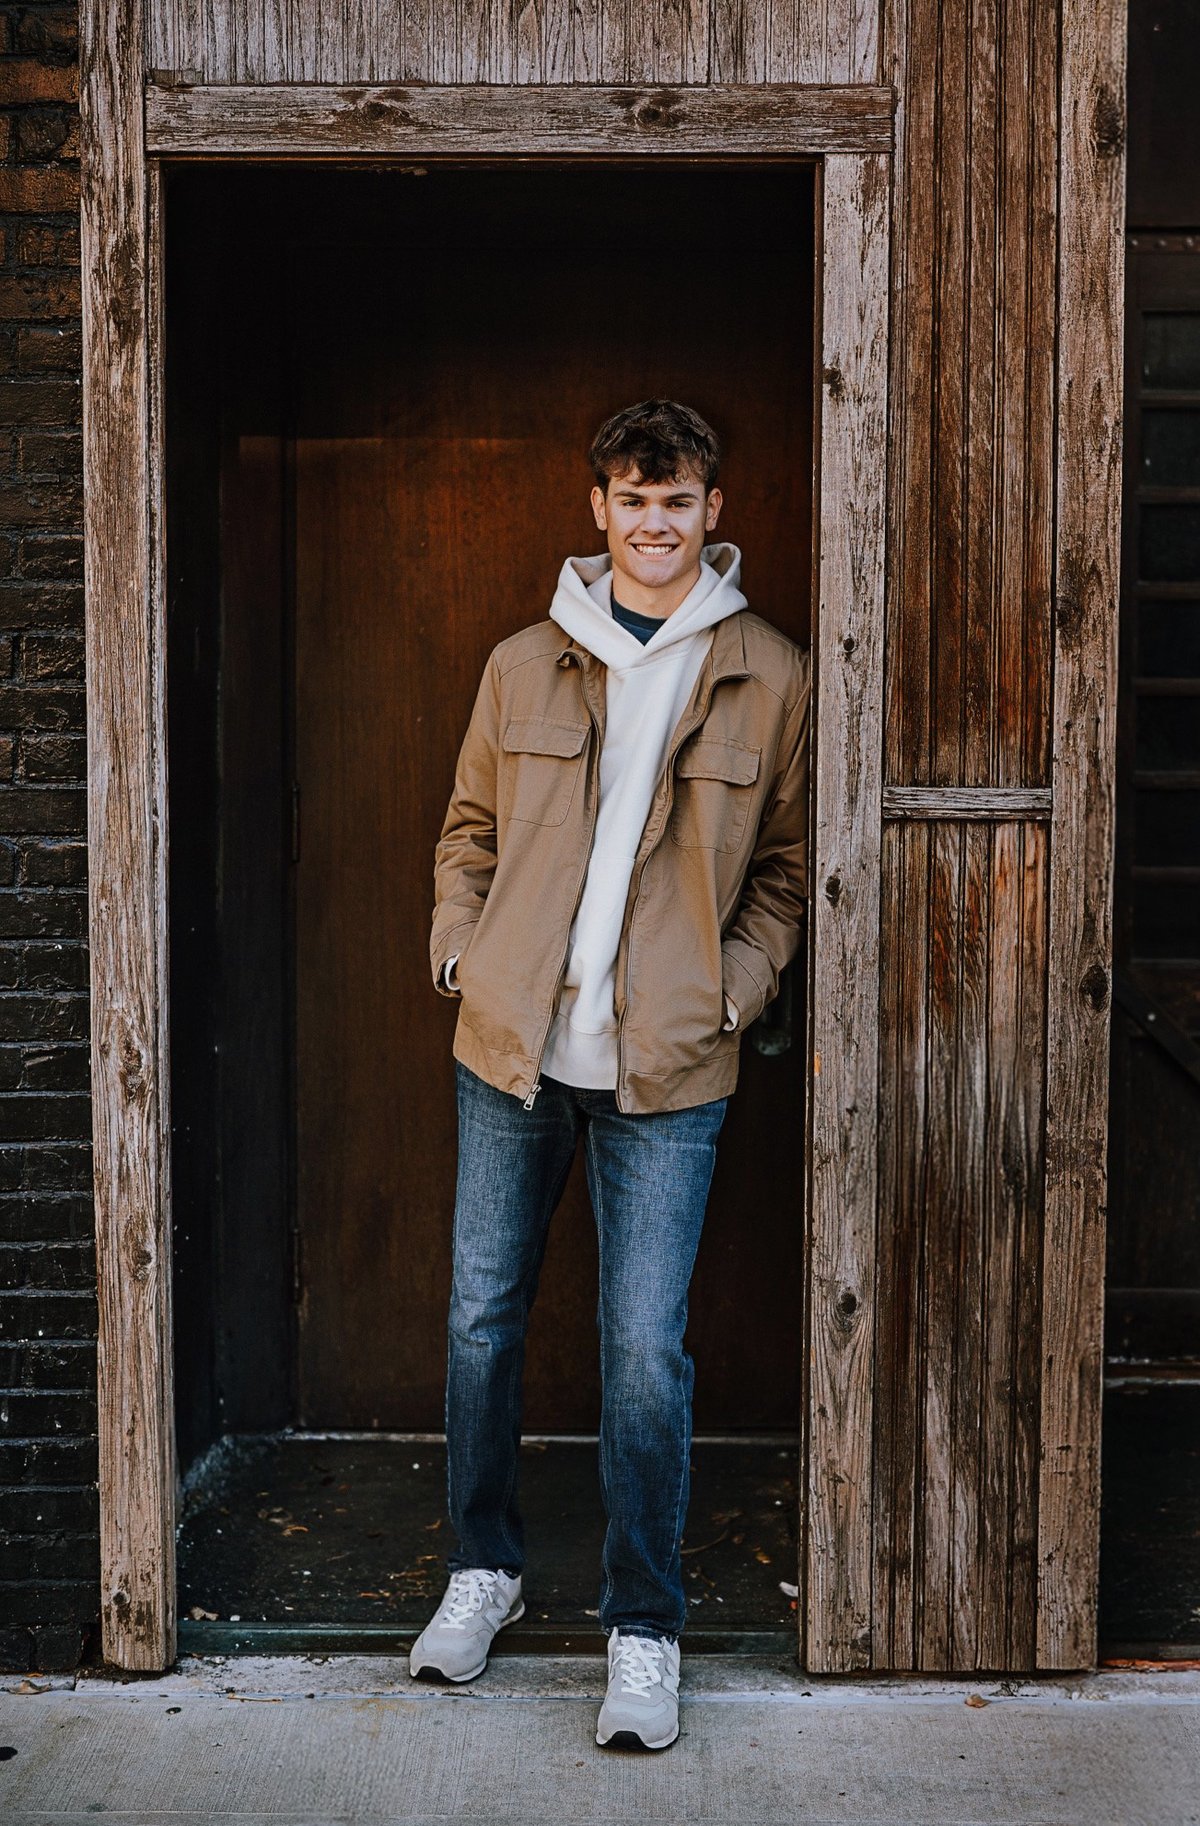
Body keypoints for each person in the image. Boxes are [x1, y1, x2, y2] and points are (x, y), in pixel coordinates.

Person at [410, 399, 810, 1750]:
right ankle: (486, 1570)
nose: (654, 523)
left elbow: (787, 875)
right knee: (480, 1320)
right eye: (633, 499)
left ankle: (644, 1625)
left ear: (712, 510)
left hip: (669, 1069)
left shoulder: (769, 671)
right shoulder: (526, 662)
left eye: (678, 500)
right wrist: (462, 951)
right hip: (514, 1050)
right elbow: (467, 827)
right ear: (598, 508)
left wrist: (732, 992)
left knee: (646, 1353)